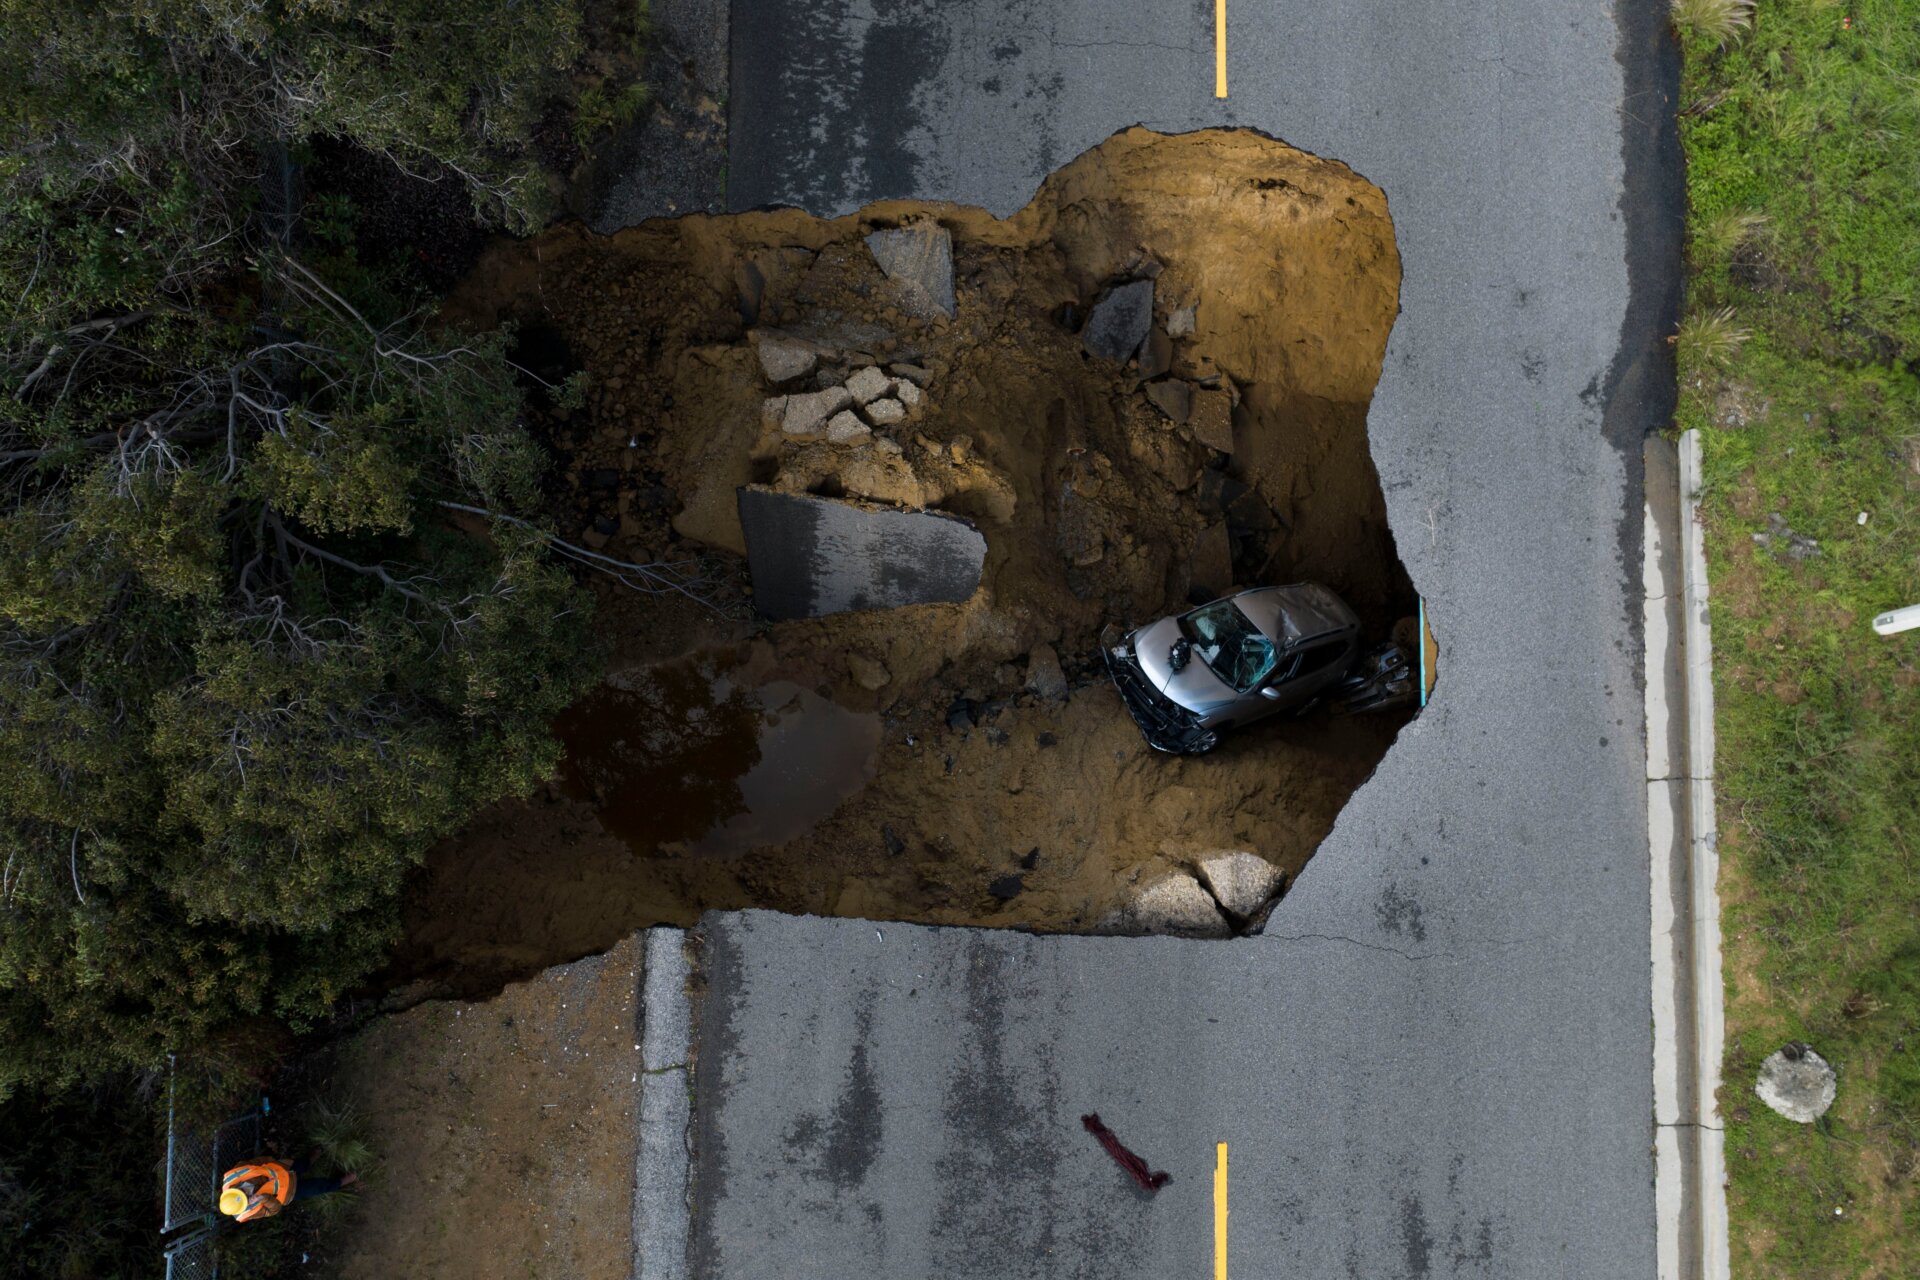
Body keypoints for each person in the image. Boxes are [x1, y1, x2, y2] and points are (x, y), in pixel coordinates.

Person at [218, 1155, 360, 1222]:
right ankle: (346, 1179)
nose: (247, 1195)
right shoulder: (246, 1213)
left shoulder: (233, 1176)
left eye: (243, 1193)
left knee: (302, 1163)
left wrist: (273, 1163)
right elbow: (274, 1210)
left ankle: (316, 1154)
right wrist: (264, 1198)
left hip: (282, 1170)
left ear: (233, 1190)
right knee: (318, 1187)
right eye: (245, 1199)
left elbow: (255, 1162)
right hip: (289, 1192)